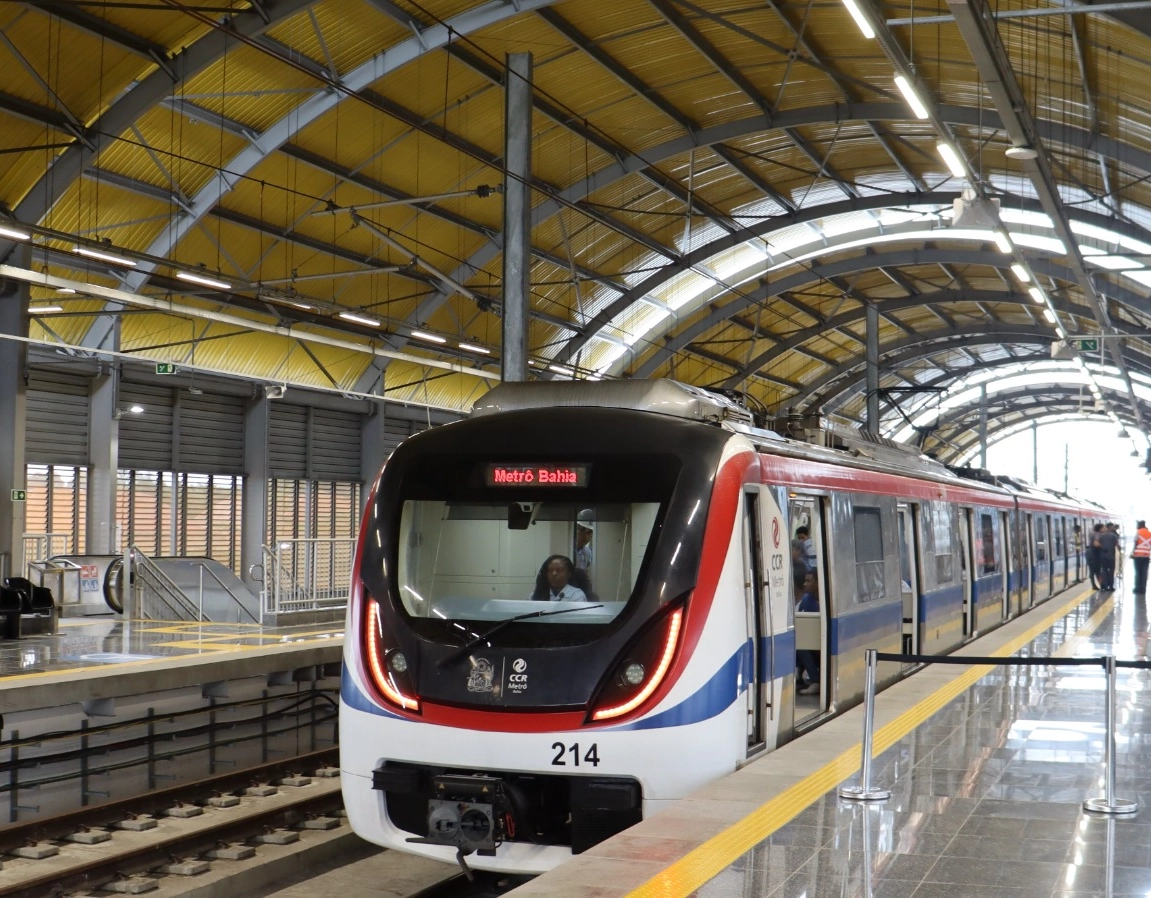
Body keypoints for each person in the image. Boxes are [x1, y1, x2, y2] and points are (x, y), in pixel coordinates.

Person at [795, 570, 820, 695]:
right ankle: (799, 676)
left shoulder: (827, 600)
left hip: (824, 646)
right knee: (800, 642)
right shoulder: (807, 599)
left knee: (802, 646)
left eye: (809, 581)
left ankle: (816, 681)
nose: (805, 584)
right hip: (814, 643)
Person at [1097, 523, 1119, 590]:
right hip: (1111, 556)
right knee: (1111, 571)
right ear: (1110, 527)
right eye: (1112, 527)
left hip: (1103, 556)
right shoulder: (1113, 535)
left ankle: (1105, 586)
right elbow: (1117, 544)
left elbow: (1098, 544)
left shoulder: (1101, 536)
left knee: (1104, 570)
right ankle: (1111, 586)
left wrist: (1103, 548)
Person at [574, 509, 594, 579]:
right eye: (589, 532)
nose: (591, 536)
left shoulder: (587, 552)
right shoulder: (567, 549)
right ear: (578, 530)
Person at [1132, 520, 1151, 594]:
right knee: (1144, 572)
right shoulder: (1149, 533)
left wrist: (1133, 552)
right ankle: (1143, 588)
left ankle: (1137, 588)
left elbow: (1135, 543)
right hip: (1146, 556)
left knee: (1138, 572)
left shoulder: (1138, 532)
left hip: (1138, 555)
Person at [1087, 523, 1103, 590]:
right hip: (1094, 554)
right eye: (1104, 528)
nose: (1105, 529)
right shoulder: (1097, 534)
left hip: (1089, 553)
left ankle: (1094, 585)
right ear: (1100, 529)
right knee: (1097, 570)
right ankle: (1101, 585)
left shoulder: (1091, 533)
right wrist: (1105, 547)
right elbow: (1096, 544)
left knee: (1092, 570)